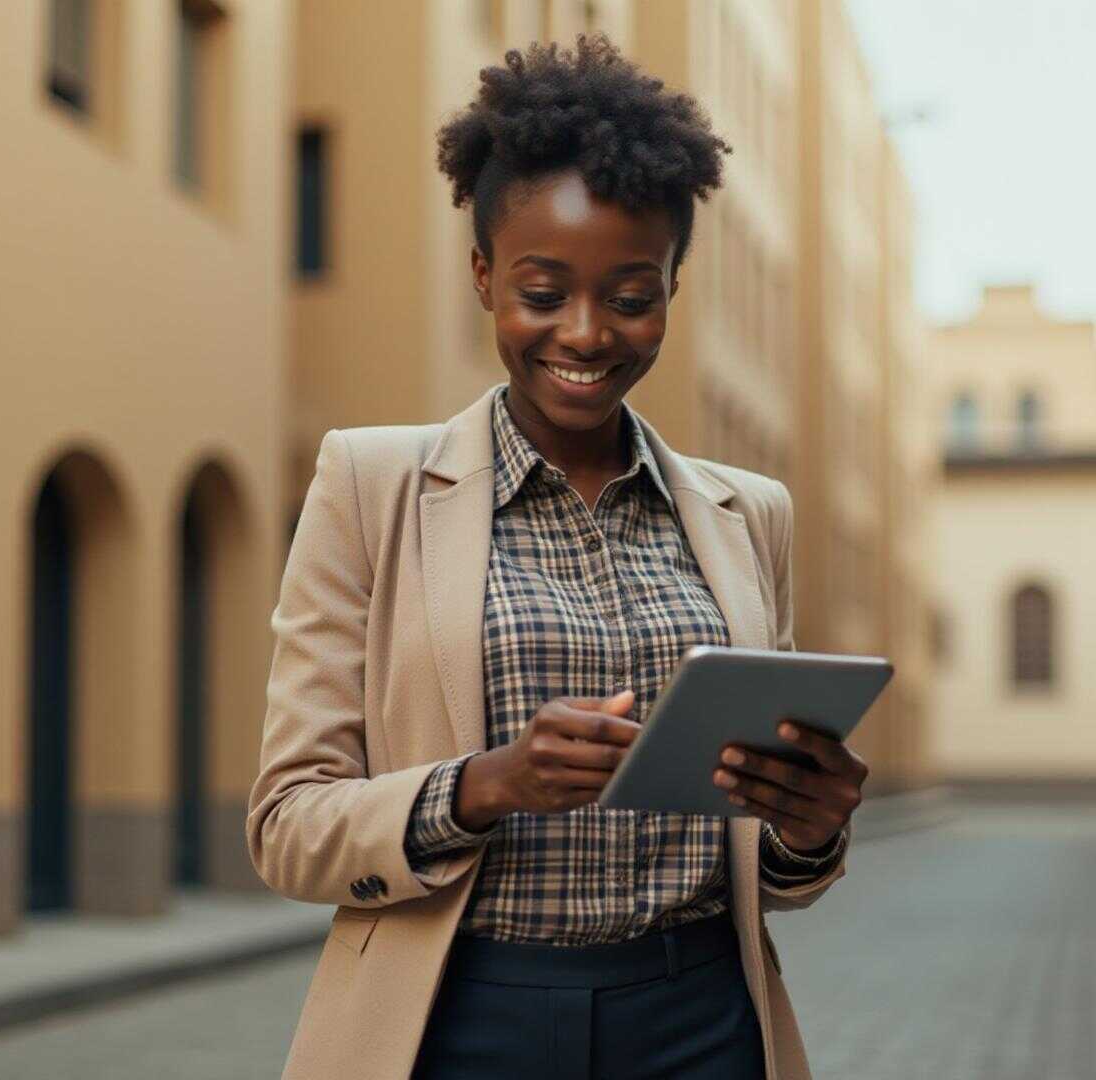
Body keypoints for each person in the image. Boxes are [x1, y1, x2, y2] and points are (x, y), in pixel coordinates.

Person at [247, 33, 870, 1080]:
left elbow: (777, 869)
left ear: (673, 283)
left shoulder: (748, 513)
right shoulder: (371, 486)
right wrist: (484, 785)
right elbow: (286, 827)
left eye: (631, 297)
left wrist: (808, 828)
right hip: (461, 1018)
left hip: (705, 1018)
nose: (586, 335)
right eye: (544, 291)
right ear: (486, 274)